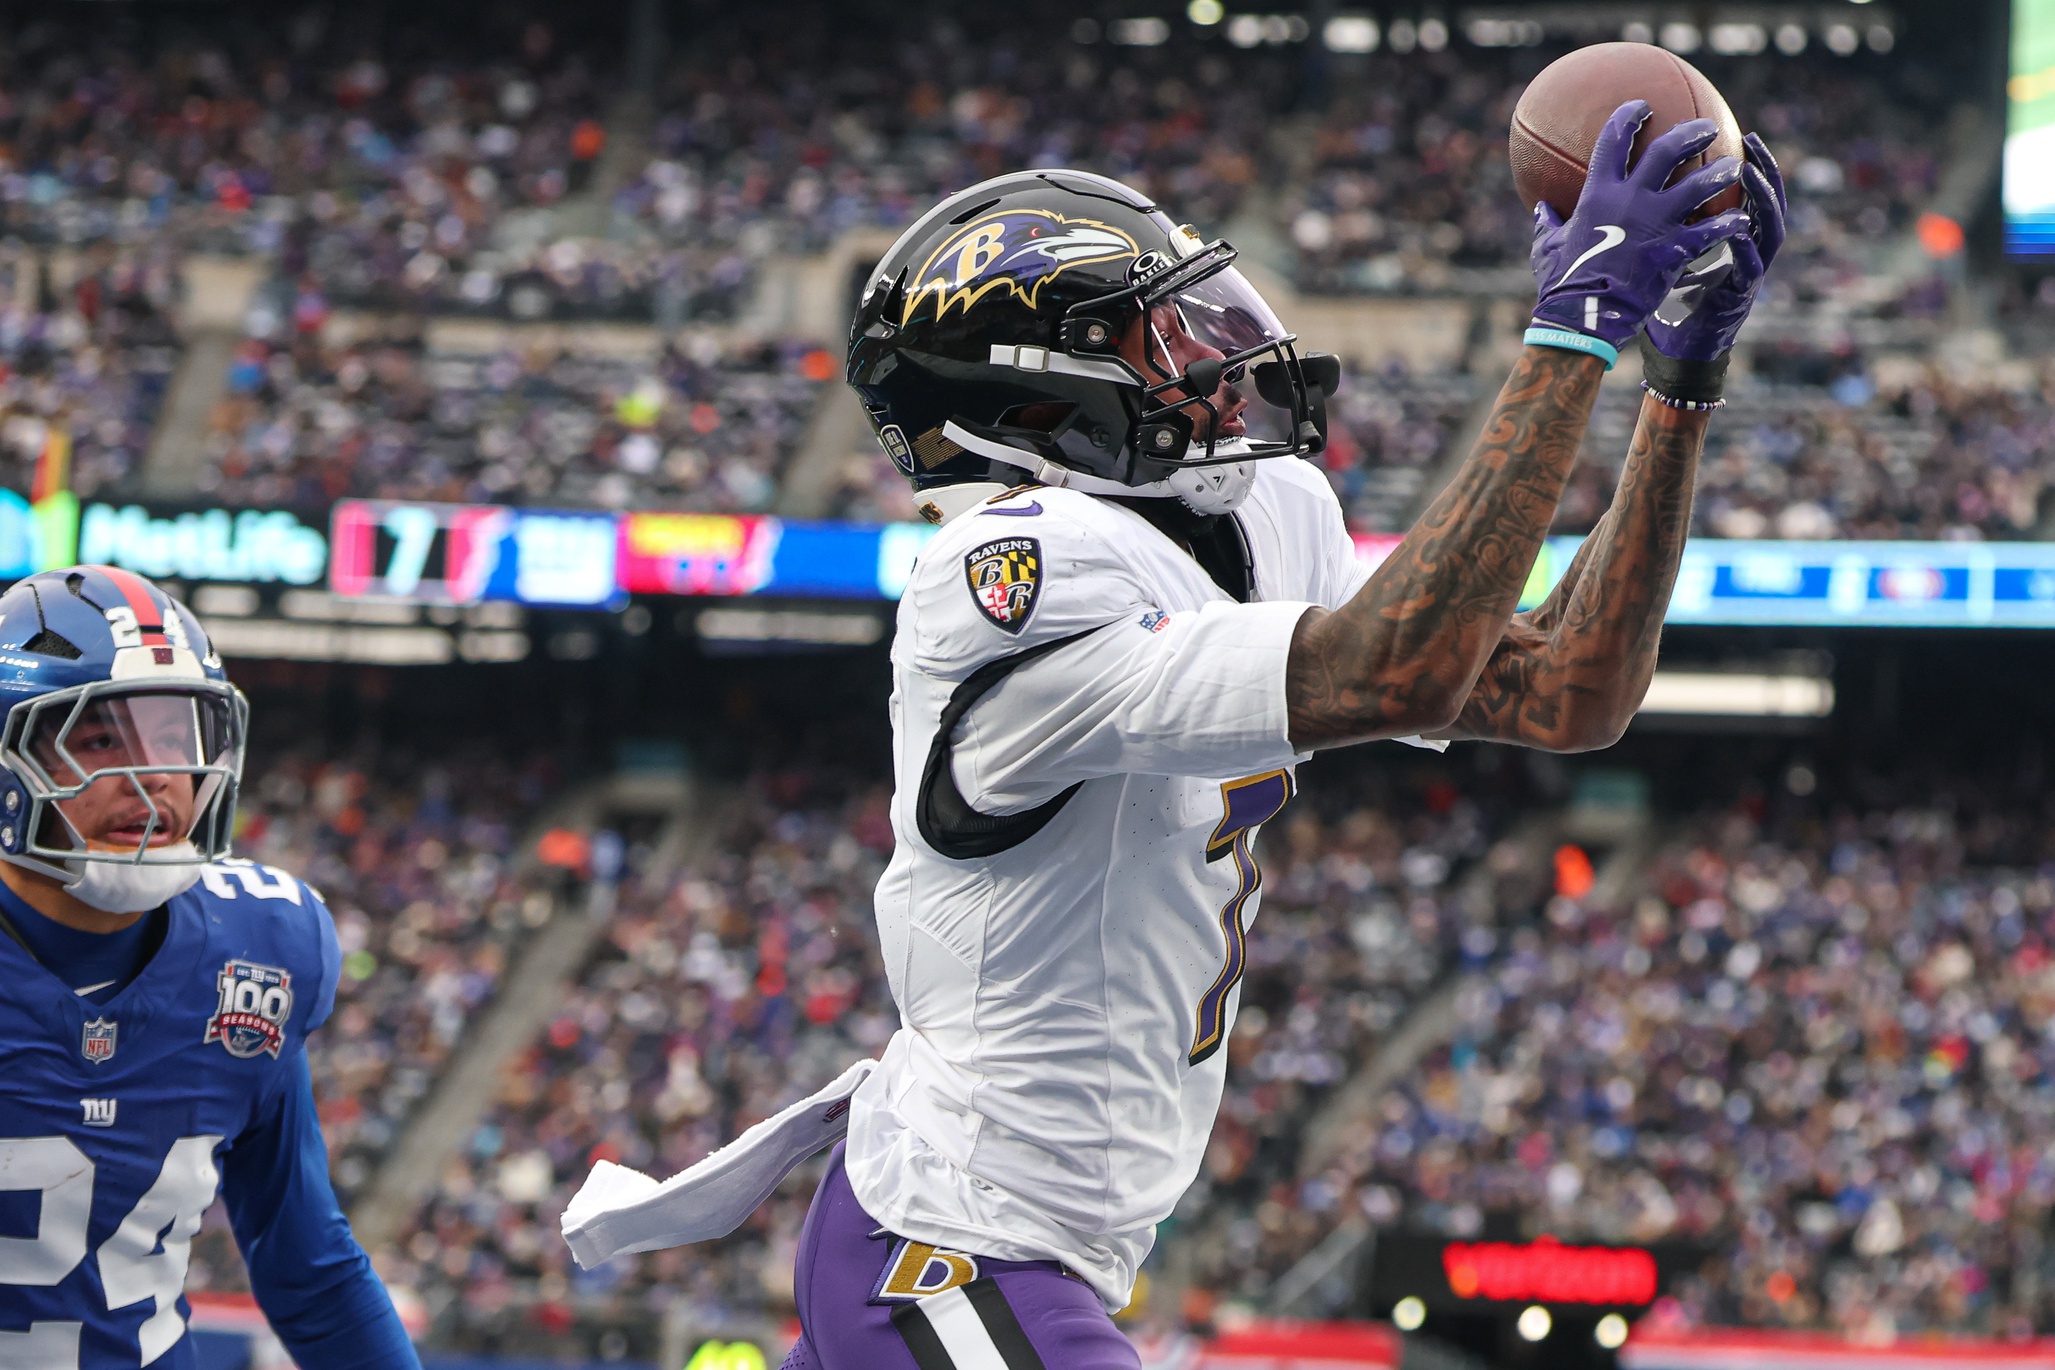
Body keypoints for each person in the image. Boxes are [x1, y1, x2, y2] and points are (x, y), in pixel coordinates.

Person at [563, 103, 1787, 1370]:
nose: (1206, 356)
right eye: (1153, 337)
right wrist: (1566, 331)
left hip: (1030, 1243)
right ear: (1039, 404)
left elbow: (1569, 692)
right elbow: (1403, 667)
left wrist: (1678, 392)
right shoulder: (1011, 569)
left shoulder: (1261, 509)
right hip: (951, 1236)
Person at [0, 566, 419, 1369]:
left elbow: (310, 1269)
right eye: (97, 737)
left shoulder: (257, 950)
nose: (154, 774)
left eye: (172, 735)